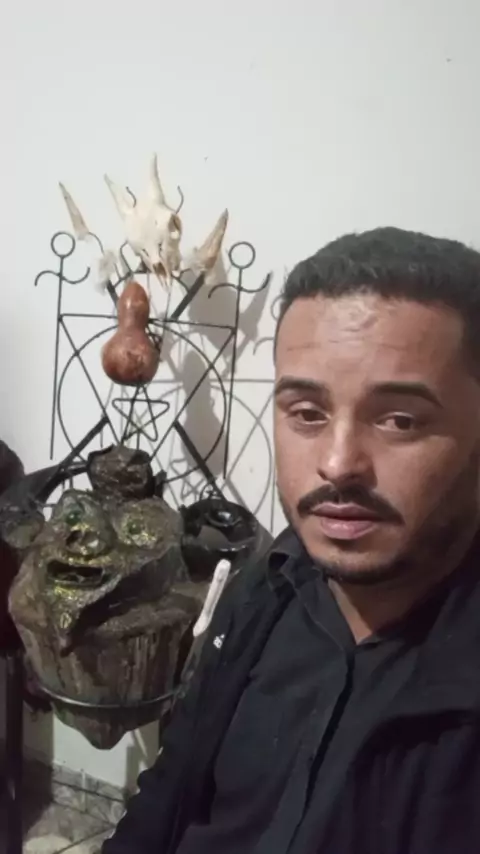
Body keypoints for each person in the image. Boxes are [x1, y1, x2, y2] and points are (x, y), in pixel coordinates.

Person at [103, 227, 480, 854]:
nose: (338, 464)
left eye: (400, 420)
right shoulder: (267, 584)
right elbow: (168, 791)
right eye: (307, 413)